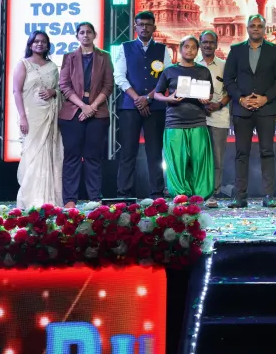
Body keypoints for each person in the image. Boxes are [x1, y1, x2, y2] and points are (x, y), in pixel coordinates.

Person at [223, 14, 276, 208]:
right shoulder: (236, 50)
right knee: (241, 153)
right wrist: (241, 99)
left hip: (266, 108)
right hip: (241, 108)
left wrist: (265, 98)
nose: (256, 29)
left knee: (267, 151)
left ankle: (269, 195)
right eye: (252, 26)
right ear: (247, 28)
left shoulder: (275, 50)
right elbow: (228, 79)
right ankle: (240, 197)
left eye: (259, 26)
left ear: (264, 29)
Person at [113, 11, 167, 199]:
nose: (144, 28)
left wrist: (148, 98)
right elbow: (119, 76)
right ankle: (124, 194)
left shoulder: (163, 49)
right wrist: (138, 98)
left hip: (155, 107)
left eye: (148, 24)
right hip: (130, 107)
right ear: (135, 27)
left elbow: (166, 78)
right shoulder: (125, 47)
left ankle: (157, 194)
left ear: (154, 27)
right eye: (141, 24)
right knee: (128, 151)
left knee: (155, 151)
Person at [59, 23, 113, 208]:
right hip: (72, 113)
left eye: (89, 32)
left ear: (94, 35)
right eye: (82, 32)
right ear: (77, 36)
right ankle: (70, 200)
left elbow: (108, 85)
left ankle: (94, 199)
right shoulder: (69, 57)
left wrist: (92, 107)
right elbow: (64, 85)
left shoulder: (105, 57)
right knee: (72, 156)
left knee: (93, 157)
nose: (85, 35)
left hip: (97, 113)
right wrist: (83, 106)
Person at [153, 36, 215, 198]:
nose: (190, 50)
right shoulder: (169, 71)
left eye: (193, 47)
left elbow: (210, 93)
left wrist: (206, 98)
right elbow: (157, 94)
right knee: (177, 161)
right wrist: (169, 98)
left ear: (197, 50)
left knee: (199, 160)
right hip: (175, 122)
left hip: (198, 121)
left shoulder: (203, 71)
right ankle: (180, 194)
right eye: (186, 47)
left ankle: (199, 195)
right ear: (180, 49)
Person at [13, 30, 63, 209]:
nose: (40, 44)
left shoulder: (52, 66)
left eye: (43, 42)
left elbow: (61, 90)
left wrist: (53, 92)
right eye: (36, 41)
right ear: (30, 44)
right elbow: (16, 91)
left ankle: (49, 200)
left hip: (50, 118)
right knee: (33, 155)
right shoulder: (23, 64)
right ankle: (31, 200)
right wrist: (22, 117)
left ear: (48, 45)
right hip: (31, 118)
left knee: (48, 155)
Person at [200, 30, 232, 209]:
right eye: (204, 42)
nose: (208, 45)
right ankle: (196, 192)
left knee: (217, 158)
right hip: (196, 118)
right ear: (200, 44)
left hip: (219, 117)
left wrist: (218, 105)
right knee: (197, 156)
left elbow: (231, 91)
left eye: (211, 42)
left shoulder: (224, 65)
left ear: (216, 44)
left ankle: (213, 194)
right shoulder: (191, 64)